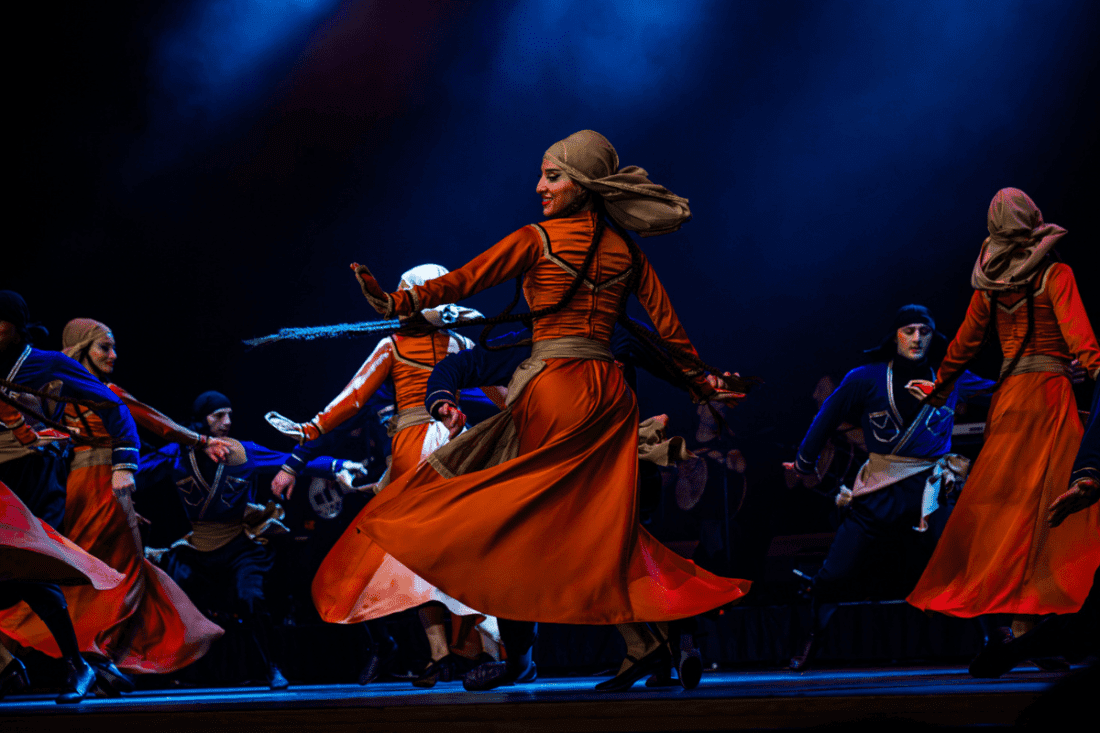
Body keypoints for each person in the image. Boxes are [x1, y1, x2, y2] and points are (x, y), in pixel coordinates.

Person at [349, 130, 751, 691]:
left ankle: (625, 641)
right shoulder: (627, 251)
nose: (539, 185)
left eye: (552, 175)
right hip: (609, 393)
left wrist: (398, 302)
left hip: (555, 387)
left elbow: (464, 280)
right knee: (593, 527)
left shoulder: (537, 239)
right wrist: (702, 382)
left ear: (582, 182)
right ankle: (651, 642)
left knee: (537, 522)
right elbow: (668, 328)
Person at [423, 322, 702, 691]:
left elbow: (669, 361)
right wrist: (443, 401)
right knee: (618, 558)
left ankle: (647, 643)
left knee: (589, 556)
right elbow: (455, 368)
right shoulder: (536, 340)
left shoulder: (605, 332)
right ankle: (667, 640)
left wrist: (707, 382)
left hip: (608, 472)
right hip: (606, 472)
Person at [267, 265, 498, 688]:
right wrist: (308, 434)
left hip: (449, 443)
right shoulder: (395, 344)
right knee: (416, 552)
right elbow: (354, 398)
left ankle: (481, 649)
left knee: (459, 547)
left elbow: (500, 388)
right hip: (425, 448)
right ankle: (444, 654)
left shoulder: (460, 341)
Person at [907, 188, 1100, 650]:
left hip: (1011, 401)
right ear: (1033, 218)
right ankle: (1037, 622)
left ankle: (1021, 628)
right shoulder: (1055, 273)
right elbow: (1081, 339)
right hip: (1050, 400)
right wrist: (1096, 371)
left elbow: (963, 348)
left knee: (1008, 513)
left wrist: (938, 390)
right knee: (1055, 512)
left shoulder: (989, 287)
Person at [0, 297, 221, 690]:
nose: (113, 355)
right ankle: (89, 656)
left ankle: (96, 656)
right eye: (105, 346)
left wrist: (196, 441)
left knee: (111, 573)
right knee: (79, 570)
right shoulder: (49, 386)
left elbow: (153, 421)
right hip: (73, 485)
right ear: (83, 346)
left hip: (97, 483)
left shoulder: (72, 379)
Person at [784, 304, 993, 670]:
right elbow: (826, 417)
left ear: (933, 337)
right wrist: (805, 462)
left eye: (924, 331)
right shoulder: (865, 377)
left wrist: (1054, 377)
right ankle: (813, 633)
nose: (916, 338)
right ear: (895, 335)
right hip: (880, 489)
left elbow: (1002, 392)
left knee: (964, 563)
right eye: (908, 330)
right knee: (836, 573)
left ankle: (995, 638)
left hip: (931, 489)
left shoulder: (951, 376)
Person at [139, 390, 366, 690]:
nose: (227, 422)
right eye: (218, 416)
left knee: (252, 599)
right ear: (199, 422)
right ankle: (163, 666)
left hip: (238, 546)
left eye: (229, 414)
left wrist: (337, 466)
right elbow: (137, 472)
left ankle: (272, 667)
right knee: (166, 592)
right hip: (198, 548)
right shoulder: (175, 454)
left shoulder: (241, 452)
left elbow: (288, 460)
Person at [1, 398, 125, 703]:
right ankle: (7, 665)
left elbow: (123, 415)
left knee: (33, 563)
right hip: (5, 474)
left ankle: (78, 664)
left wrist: (126, 465)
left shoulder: (38, 365)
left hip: (35, 467)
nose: (112, 356)